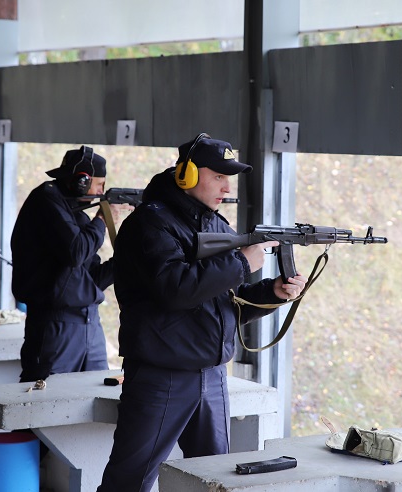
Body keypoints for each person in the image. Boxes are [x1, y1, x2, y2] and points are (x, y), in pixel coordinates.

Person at [97, 133, 307, 491]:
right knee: (128, 482)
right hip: (161, 375)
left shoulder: (216, 226)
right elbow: (174, 289)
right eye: (218, 176)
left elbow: (227, 302)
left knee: (213, 481)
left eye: (229, 178)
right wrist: (242, 263)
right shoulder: (150, 224)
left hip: (212, 376)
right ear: (187, 175)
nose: (227, 187)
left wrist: (272, 293)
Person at [11, 145, 128, 383]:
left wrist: (127, 256)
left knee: (96, 392)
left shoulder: (76, 215)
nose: (101, 192)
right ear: (81, 181)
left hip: (89, 322)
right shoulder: (46, 201)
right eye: (99, 184)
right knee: (45, 397)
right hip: (55, 323)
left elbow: (91, 279)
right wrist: (101, 221)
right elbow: (75, 252)